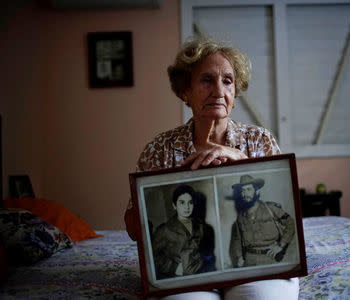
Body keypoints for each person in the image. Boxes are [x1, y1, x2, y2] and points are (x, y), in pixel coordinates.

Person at [125, 37, 299, 300]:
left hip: (255, 262)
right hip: (191, 268)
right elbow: (132, 228)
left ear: (234, 94)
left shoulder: (259, 140)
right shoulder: (160, 148)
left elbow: (287, 210)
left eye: (227, 81)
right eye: (207, 80)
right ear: (185, 91)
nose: (219, 90)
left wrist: (240, 158)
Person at [229, 175, 295, 268]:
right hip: (249, 261)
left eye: (249, 189)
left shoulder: (271, 208)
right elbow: (237, 239)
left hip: (271, 258)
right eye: (242, 190)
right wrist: (239, 256)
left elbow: (290, 223)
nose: (245, 193)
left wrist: (281, 245)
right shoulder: (240, 217)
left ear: (257, 191)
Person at [152, 184, 215, 279]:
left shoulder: (201, 226)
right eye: (182, 202)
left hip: (200, 274)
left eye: (190, 202)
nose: (187, 207)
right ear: (174, 205)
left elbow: (205, 252)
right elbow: (153, 257)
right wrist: (174, 267)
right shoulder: (165, 230)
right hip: (177, 277)